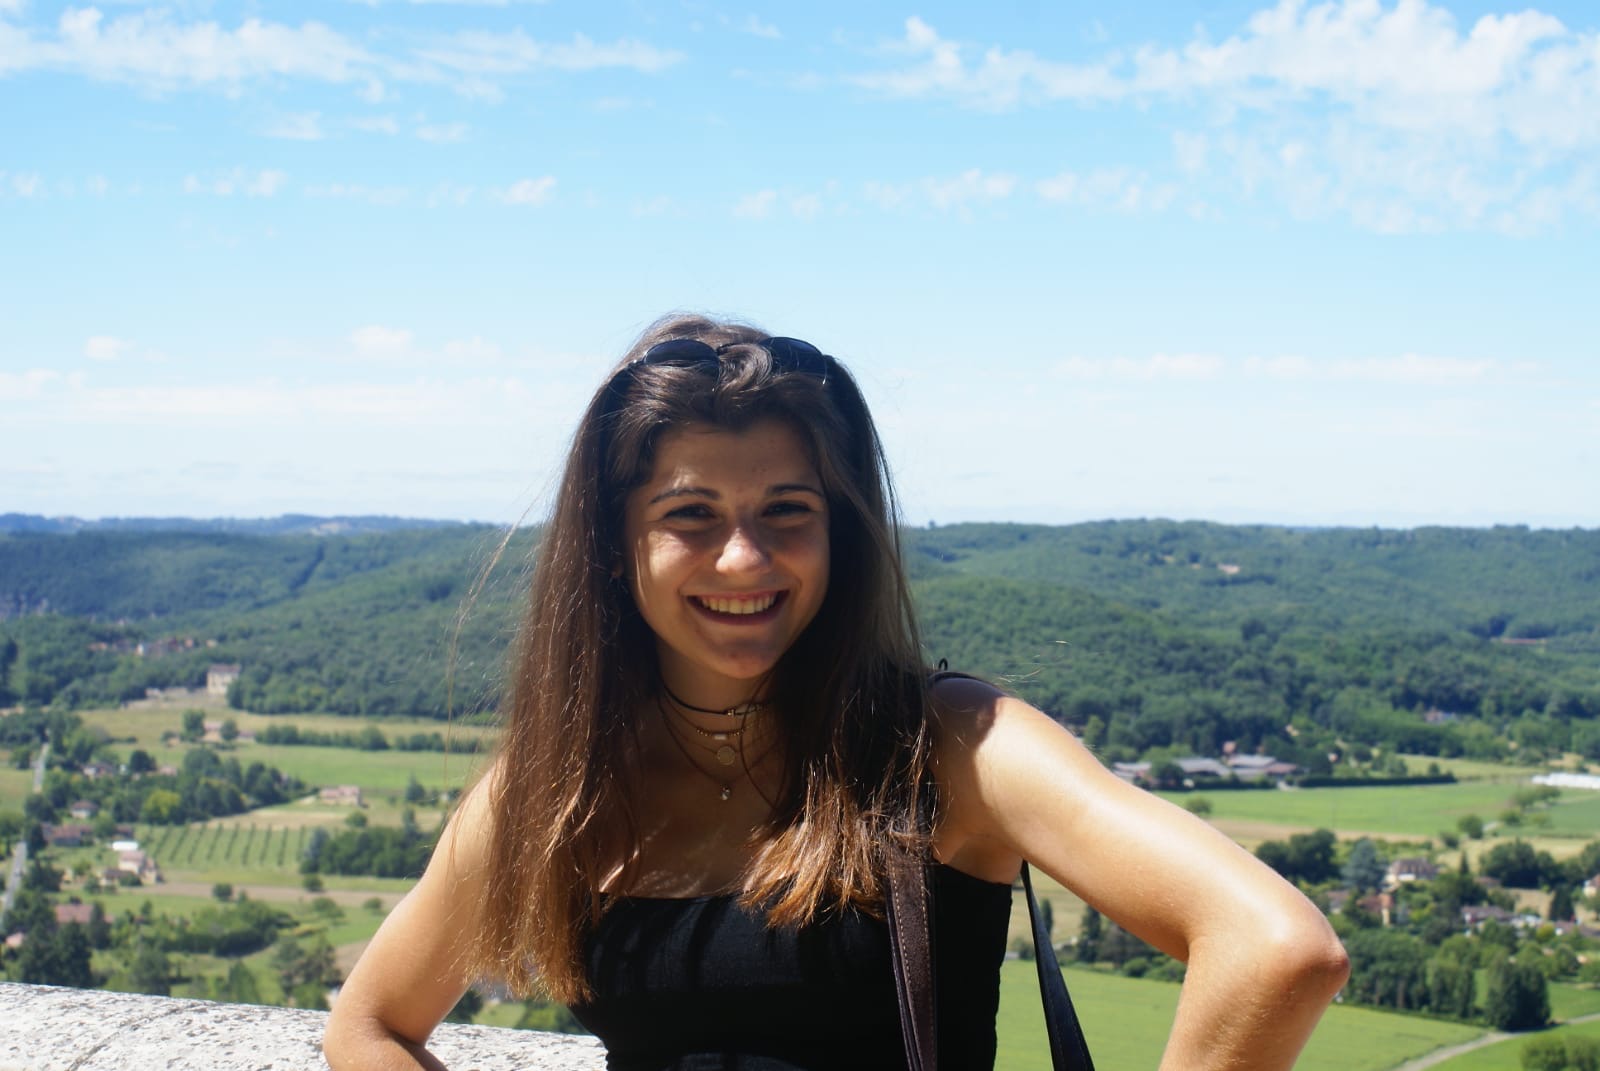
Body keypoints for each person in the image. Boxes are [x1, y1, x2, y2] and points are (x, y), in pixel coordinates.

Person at [323, 314, 1349, 1070]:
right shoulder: (560, 788)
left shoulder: (947, 745)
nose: (743, 557)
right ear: (614, 544)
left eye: (787, 509)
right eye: (690, 514)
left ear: (839, 532)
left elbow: (1276, 949)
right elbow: (368, 1026)